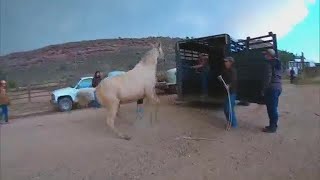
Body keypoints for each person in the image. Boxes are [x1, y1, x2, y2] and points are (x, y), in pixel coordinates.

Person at [261, 48, 282, 133]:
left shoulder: (269, 64)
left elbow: (268, 78)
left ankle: (272, 127)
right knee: (274, 107)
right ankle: (273, 125)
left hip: (272, 88)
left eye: (265, 54)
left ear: (269, 55)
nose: (264, 56)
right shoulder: (278, 63)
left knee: (271, 108)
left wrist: (263, 89)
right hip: (278, 87)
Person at [221, 57, 238, 130]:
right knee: (225, 108)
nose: (225, 63)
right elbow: (224, 79)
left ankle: (233, 124)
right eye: (224, 61)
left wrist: (229, 85)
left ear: (230, 62)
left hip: (231, 92)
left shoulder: (233, 71)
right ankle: (229, 121)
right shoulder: (225, 70)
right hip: (226, 92)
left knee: (229, 109)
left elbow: (234, 81)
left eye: (226, 61)